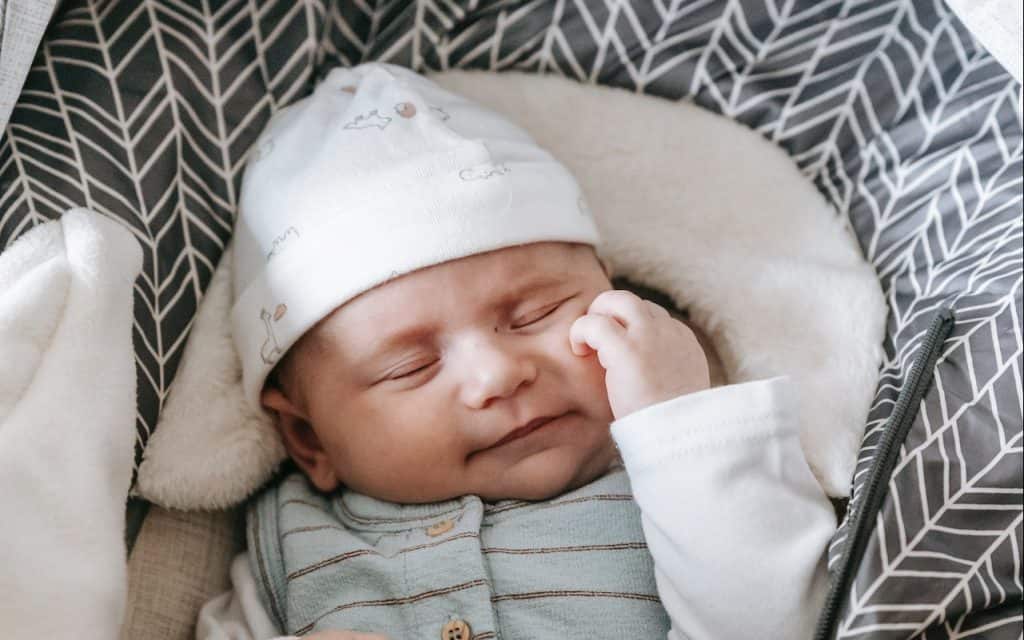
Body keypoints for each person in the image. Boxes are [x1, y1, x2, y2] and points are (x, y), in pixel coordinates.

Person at [197, 62, 835, 640]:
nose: (498, 375)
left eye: (537, 314)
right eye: (411, 366)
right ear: (309, 439)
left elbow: (784, 621)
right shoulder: (295, 540)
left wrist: (680, 419)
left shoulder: (677, 483)